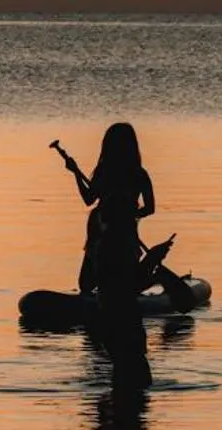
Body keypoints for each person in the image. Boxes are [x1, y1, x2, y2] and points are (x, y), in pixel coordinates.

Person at [59, 124, 158, 389]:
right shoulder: (138, 174)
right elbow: (150, 208)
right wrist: (131, 215)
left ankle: (105, 309)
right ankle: (108, 305)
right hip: (114, 233)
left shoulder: (110, 172)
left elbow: (88, 198)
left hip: (108, 233)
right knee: (110, 279)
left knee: (93, 281)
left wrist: (76, 176)